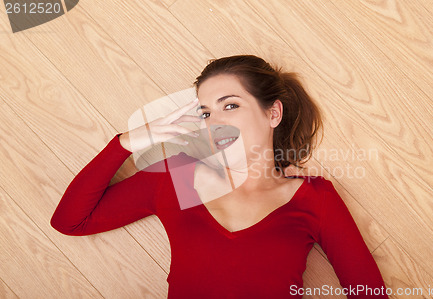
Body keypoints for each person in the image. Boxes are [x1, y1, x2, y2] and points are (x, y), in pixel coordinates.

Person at [51, 55, 388, 298]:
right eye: (206, 113)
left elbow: (369, 292)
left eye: (230, 106)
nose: (215, 123)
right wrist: (126, 143)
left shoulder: (313, 197)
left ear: (273, 113)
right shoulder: (179, 178)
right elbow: (71, 222)